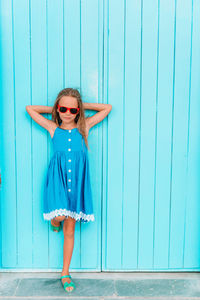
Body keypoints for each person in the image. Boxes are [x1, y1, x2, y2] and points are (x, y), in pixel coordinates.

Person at [26, 87, 112, 292]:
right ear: (57, 108)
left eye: (73, 110)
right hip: (59, 181)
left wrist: (82, 107)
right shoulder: (53, 128)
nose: (67, 113)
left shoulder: (84, 127)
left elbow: (107, 108)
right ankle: (55, 221)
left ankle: (65, 273)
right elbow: (30, 109)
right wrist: (54, 110)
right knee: (61, 217)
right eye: (63, 108)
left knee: (70, 228)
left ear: (79, 111)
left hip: (77, 184)